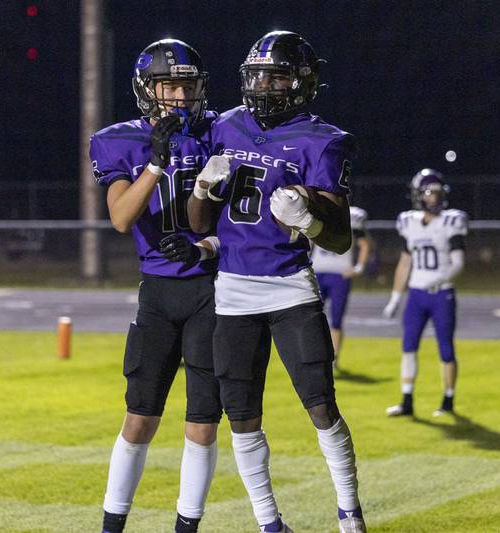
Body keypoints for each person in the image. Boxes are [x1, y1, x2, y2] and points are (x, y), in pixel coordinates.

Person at [188, 31, 366, 533]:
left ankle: (350, 513)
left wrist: (308, 221)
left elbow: (340, 240)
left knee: (321, 405)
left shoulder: (323, 139)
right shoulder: (223, 127)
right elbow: (199, 223)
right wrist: (202, 186)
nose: (264, 85)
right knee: (241, 413)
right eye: (258, 75)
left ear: (303, 82)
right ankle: (269, 522)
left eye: (277, 75)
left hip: (290, 286)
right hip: (232, 291)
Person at [90, 39, 222, 533]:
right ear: (148, 90)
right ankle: (112, 526)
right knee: (139, 418)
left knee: (203, 425)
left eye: (188, 86)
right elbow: (122, 217)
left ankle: (186, 527)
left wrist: (205, 247)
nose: (181, 96)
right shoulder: (118, 140)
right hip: (158, 293)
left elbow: (232, 222)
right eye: (170, 85)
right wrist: (156, 161)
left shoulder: (218, 133)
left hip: (211, 289)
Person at [382, 168, 468, 417]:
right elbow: (404, 263)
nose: (434, 197)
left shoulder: (451, 221)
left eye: (437, 192)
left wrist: (441, 279)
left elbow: (459, 263)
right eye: (429, 192)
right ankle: (407, 401)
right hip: (416, 295)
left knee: (446, 349)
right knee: (408, 347)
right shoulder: (409, 222)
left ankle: (448, 401)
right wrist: (395, 298)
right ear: (419, 195)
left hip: (442, 293)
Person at [310, 205, 370, 371]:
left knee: (336, 319)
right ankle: (316, 355)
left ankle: (334, 359)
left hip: (339, 274)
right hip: (318, 271)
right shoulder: (319, 210)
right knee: (313, 317)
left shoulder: (352, 215)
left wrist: (359, 268)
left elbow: (363, 244)